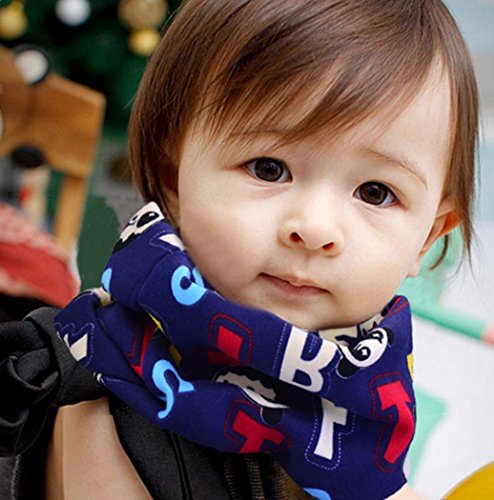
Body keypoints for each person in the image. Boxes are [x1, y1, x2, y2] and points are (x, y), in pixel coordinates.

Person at [0, 0, 478, 499]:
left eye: (375, 193)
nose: (315, 229)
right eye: (269, 168)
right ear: (173, 177)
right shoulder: (112, 381)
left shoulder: (363, 390)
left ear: (428, 237)